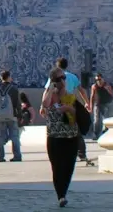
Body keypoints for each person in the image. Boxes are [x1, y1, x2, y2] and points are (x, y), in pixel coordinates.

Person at [41, 67, 80, 207]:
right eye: (58, 79)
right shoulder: (50, 95)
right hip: (54, 137)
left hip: (70, 136)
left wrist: (69, 109)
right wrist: (51, 89)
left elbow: (79, 115)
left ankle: (64, 191)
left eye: (63, 78)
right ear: (53, 81)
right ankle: (61, 196)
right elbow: (45, 104)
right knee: (57, 167)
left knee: (69, 167)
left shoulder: (70, 95)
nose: (62, 81)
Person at [44, 57, 92, 166]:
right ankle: (81, 153)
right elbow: (82, 90)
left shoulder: (55, 76)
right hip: (69, 102)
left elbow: (46, 91)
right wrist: (87, 102)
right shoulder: (72, 77)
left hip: (60, 106)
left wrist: (43, 107)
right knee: (75, 131)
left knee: (62, 132)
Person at [0, 69, 22, 162]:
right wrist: (19, 115)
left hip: (0, 116)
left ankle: (0, 156)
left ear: (1, 78)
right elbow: (18, 103)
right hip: (12, 116)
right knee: (14, 136)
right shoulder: (14, 88)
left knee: (0, 136)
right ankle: (17, 156)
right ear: (9, 77)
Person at [90, 73, 113, 139]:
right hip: (97, 104)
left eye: (99, 79)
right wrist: (91, 106)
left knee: (107, 119)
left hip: (106, 104)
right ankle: (95, 133)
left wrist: (108, 89)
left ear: (102, 79)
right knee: (96, 120)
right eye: (96, 80)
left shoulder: (107, 85)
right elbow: (92, 96)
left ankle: (106, 132)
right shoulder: (94, 86)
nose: (98, 81)